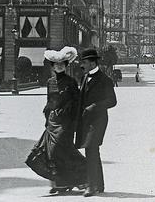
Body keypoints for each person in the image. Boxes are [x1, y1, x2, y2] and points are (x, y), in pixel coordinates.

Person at [26, 46, 87, 194]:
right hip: (52, 121)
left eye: (62, 64)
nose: (59, 66)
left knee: (61, 149)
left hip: (66, 122)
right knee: (52, 153)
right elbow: (49, 101)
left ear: (66, 66)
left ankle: (84, 176)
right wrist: (47, 119)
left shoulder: (71, 82)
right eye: (56, 65)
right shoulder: (50, 82)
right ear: (52, 66)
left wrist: (74, 122)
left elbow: (77, 102)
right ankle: (60, 183)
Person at [75, 48, 117, 197]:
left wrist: (95, 106)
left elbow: (112, 101)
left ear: (93, 63)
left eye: (84, 62)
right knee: (92, 151)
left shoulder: (105, 80)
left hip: (98, 120)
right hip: (86, 121)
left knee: (91, 149)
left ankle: (91, 186)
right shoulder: (84, 77)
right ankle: (99, 184)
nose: (82, 65)